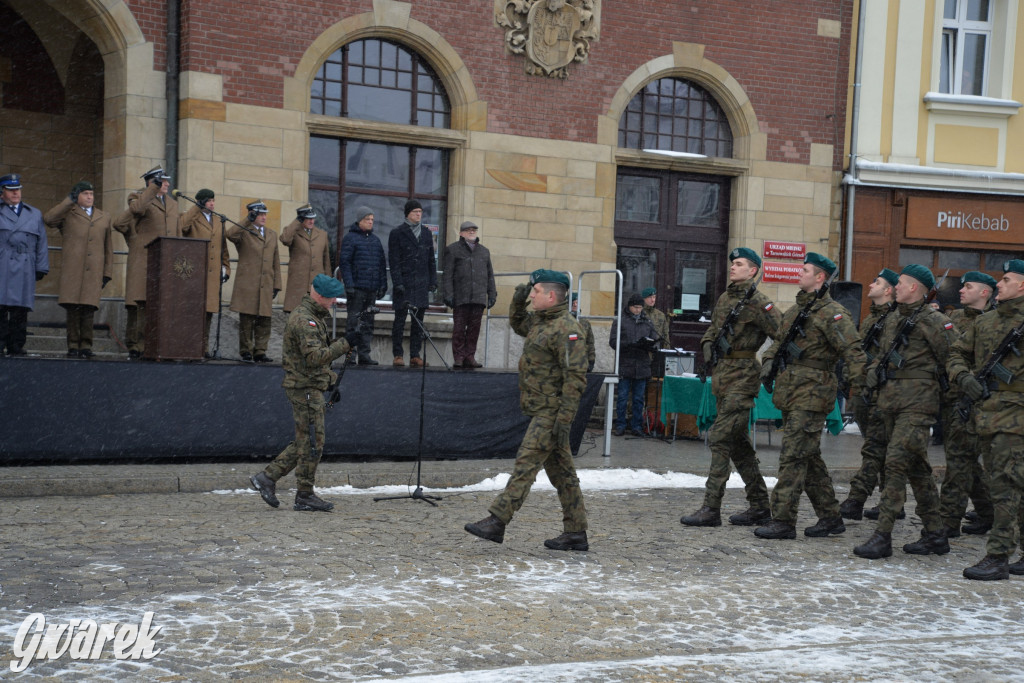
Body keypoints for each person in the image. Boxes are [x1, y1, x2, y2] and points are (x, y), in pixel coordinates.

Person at [464, 269, 590, 550]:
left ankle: (498, 520)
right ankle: (576, 532)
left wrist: (565, 419)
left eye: (535, 292)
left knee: (525, 465)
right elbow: (518, 322)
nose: (532, 295)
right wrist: (519, 297)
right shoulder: (541, 322)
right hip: (540, 408)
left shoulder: (567, 329)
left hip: (552, 412)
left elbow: (575, 377)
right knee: (563, 475)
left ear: (551, 295)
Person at [755, 253, 866, 540]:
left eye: (805, 270)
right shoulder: (794, 312)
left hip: (813, 393)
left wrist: (861, 390)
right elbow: (776, 343)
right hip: (791, 391)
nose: (798, 273)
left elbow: (852, 351)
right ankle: (830, 517)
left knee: (792, 456)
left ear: (820, 277)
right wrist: (768, 364)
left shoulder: (833, 313)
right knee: (809, 457)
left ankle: (782, 519)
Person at [854, 264, 955, 560]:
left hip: (918, 405)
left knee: (895, 464)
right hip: (890, 403)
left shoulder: (935, 321)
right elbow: (884, 357)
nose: (895, 287)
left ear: (914, 288)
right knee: (918, 469)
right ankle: (936, 535)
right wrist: (872, 372)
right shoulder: (893, 319)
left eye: (901, 283)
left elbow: (954, 360)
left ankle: (882, 536)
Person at [681, 247, 780, 528]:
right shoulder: (726, 298)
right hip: (723, 377)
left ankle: (711, 508)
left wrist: (770, 361)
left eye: (739, 264)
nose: (733, 268)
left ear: (753, 271)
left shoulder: (760, 303)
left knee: (720, 437)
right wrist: (708, 344)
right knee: (738, 445)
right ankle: (760, 505)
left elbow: (782, 333)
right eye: (732, 264)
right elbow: (714, 328)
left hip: (743, 377)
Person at [249, 274, 363, 512]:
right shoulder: (305, 321)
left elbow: (314, 362)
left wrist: (330, 381)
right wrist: (345, 343)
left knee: (307, 440)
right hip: (304, 389)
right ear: (320, 296)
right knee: (312, 442)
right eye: (332, 298)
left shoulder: (312, 317)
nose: (334, 302)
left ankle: (270, 479)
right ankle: (303, 494)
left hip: (309, 386)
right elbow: (314, 358)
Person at [948, 260, 1024, 580]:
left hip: (1016, 415)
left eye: (1006, 279)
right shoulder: (986, 321)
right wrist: (964, 378)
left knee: (1005, 486)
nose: (1000, 284)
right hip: (987, 412)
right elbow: (956, 354)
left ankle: (997, 556)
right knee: (1008, 484)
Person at [938, 271, 995, 538]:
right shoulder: (954, 318)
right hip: (952, 398)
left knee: (960, 462)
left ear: (984, 293)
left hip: (979, 401)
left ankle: (948, 521)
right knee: (966, 463)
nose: (961, 290)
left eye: (968, 287)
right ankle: (988, 512)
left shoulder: (994, 322)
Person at [839, 268, 898, 520]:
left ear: (888, 291)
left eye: (877, 282)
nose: (871, 284)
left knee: (875, 448)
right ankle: (892, 501)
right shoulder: (871, 318)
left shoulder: (894, 319)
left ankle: (857, 500)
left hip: (880, 392)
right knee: (878, 447)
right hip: (864, 390)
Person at [113, 166, 179, 359]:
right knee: (139, 302)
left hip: (166, 260)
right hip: (144, 258)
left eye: (167, 180)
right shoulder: (138, 197)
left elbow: (177, 231)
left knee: (159, 305)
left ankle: (155, 343)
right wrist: (151, 189)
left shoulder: (172, 204)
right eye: (163, 180)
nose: (167, 184)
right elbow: (137, 209)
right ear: (152, 182)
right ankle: (136, 344)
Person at [43, 181, 113, 358]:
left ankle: (86, 345)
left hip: (94, 271)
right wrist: (69, 200)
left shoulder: (103, 217)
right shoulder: (68, 213)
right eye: (85, 194)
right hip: (74, 270)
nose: (89, 197)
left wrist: (107, 272)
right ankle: (73, 345)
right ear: (77, 196)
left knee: (89, 310)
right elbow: (49, 219)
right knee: (73, 309)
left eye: (91, 193)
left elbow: (108, 248)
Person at [226, 201, 281, 363]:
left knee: (264, 319)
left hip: (266, 282)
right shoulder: (244, 232)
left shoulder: (271, 234)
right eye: (260, 214)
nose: (264, 217)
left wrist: (277, 284)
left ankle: (260, 351)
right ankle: (246, 350)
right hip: (248, 283)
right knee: (247, 320)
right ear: (252, 214)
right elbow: (230, 234)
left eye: (265, 214)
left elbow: (275, 261)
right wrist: (246, 220)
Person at [0, 173, 48, 356]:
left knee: (21, 309)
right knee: (1, 308)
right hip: (2, 264)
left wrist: (41, 266)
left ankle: (16, 345)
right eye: (11, 190)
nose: (15, 193)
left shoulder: (34, 214)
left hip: (25, 265)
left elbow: (41, 243)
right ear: (2, 192)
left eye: (17, 189)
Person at [178, 188, 230, 358]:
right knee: (194, 312)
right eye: (208, 201)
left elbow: (224, 249)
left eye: (213, 200)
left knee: (208, 313)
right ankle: (191, 347)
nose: (212, 204)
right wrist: (195, 208)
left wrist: (226, 268)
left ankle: (204, 347)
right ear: (200, 202)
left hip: (213, 276)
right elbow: (182, 227)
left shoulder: (218, 220)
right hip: (196, 274)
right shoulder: (192, 217)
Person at [442, 220, 497, 368]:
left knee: (474, 330)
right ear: (461, 233)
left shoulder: (484, 251)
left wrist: (492, 293)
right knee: (459, 329)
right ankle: (459, 356)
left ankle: (470, 355)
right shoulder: (453, 250)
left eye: (474, 230)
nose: (471, 232)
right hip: (461, 296)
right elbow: (447, 274)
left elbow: (490, 274)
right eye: (468, 230)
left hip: (478, 297)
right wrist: (448, 294)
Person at [389, 199, 437, 367]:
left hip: (421, 284)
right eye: (415, 212)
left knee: (418, 322)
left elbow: (431, 259)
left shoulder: (426, 233)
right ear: (408, 214)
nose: (419, 214)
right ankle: (398, 354)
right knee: (400, 321)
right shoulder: (397, 233)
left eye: (420, 212)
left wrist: (433, 281)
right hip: (404, 283)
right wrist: (398, 282)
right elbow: (394, 261)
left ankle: (415, 355)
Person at [339, 206, 386, 365]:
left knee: (367, 324)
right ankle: (350, 355)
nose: (371, 222)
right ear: (359, 220)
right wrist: (349, 285)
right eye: (367, 219)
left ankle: (364, 355)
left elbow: (381, 265)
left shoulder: (375, 240)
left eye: (372, 220)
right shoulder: (350, 238)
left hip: (371, 289)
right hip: (357, 289)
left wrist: (383, 285)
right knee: (353, 323)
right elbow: (344, 263)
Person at [608, 293, 659, 437]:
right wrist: (628, 344)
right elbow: (613, 342)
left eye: (640, 308)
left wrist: (650, 346)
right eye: (635, 307)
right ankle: (620, 425)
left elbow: (655, 339)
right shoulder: (621, 321)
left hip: (642, 365)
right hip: (626, 363)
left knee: (638, 398)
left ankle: (637, 426)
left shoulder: (647, 321)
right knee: (623, 397)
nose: (638, 310)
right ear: (629, 307)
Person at [280, 204, 330, 314]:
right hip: (298, 287)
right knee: (297, 321)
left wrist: (328, 285)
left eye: (313, 218)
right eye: (308, 218)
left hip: (316, 287)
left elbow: (326, 262)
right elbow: (284, 239)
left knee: (314, 322)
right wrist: (296, 221)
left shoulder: (322, 235)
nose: (312, 221)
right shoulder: (293, 232)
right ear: (301, 219)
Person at [570, 292, 595, 372]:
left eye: (577, 302)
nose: (575, 305)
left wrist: (591, 360)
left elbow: (590, 343)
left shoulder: (585, 323)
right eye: (572, 302)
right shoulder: (562, 321)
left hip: (582, 362)